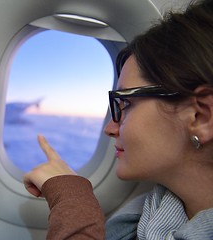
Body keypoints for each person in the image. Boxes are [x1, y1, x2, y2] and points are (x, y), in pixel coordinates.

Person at [23, 0, 213, 239]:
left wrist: (72, 198)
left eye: (126, 104)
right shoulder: (150, 217)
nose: (110, 128)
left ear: (201, 116)